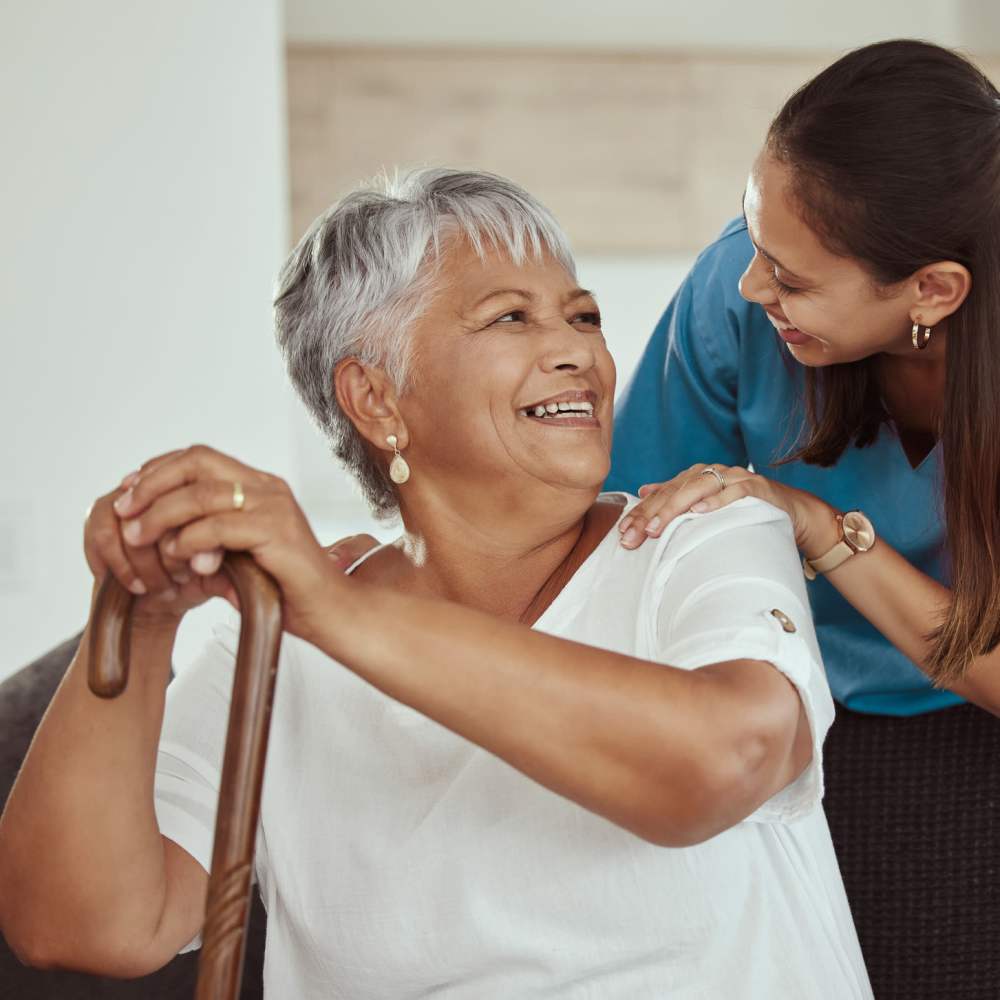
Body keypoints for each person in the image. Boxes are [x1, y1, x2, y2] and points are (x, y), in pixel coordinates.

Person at [0, 169, 872, 998]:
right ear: (376, 399)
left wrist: (337, 612)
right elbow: (83, 927)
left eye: (583, 316)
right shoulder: (272, 643)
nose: (576, 352)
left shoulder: (702, 533)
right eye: (510, 320)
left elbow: (726, 762)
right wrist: (139, 621)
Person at [607, 40, 1000, 1000]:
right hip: (784, 714)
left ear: (932, 292)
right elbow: (624, 532)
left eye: (790, 278)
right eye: (753, 245)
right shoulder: (733, 297)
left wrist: (821, 529)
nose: (752, 287)